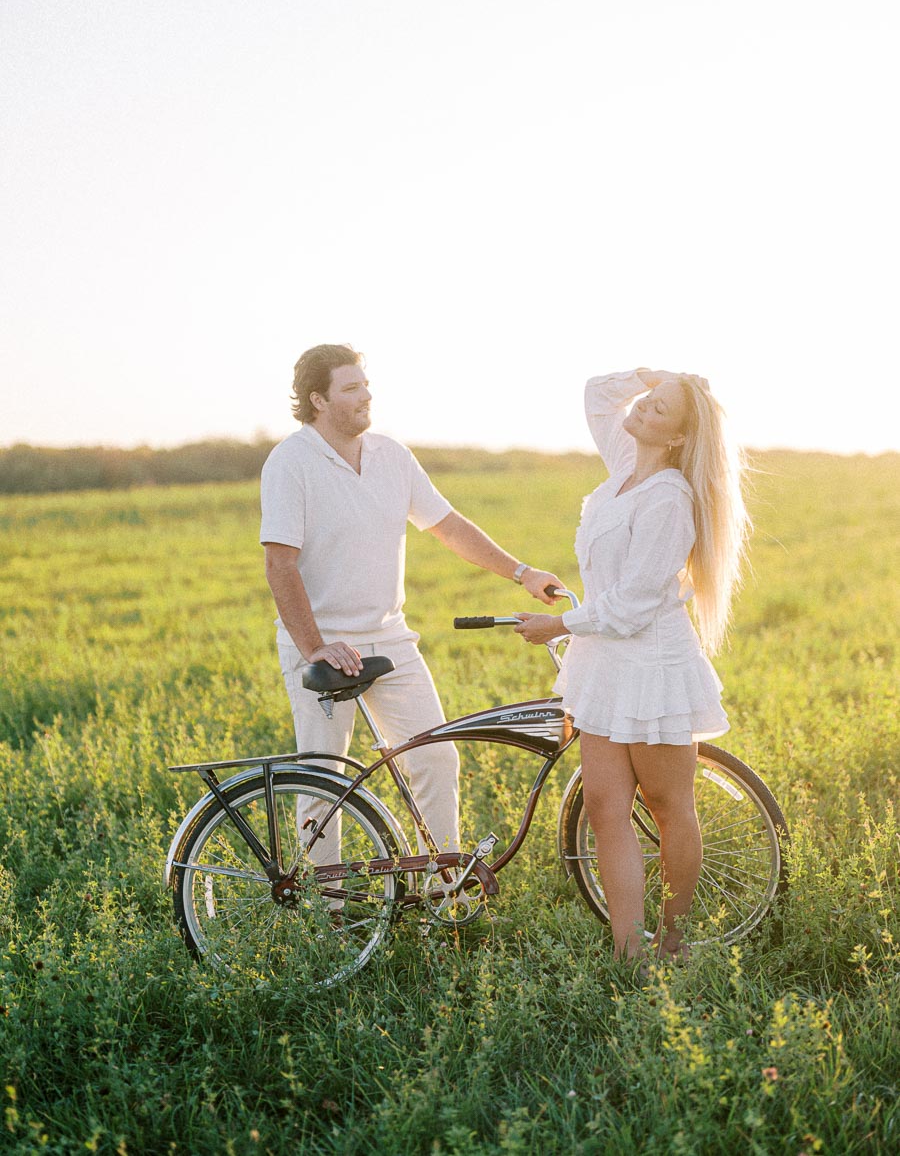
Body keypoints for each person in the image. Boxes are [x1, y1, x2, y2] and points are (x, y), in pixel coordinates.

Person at [260, 343, 561, 860]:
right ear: (318, 399)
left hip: (391, 636)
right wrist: (314, 647)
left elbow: (448, 527)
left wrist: (522, 572)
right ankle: (332, 914)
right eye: (351, 388)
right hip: (323, 642)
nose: (366, 395)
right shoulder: (291, 461)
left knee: (436, 759)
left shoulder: (391, 455)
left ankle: (446, 886)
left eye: (365, 383)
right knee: (323, 780)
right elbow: (280, 564)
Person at [514, 368, 749, 966]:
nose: (642, 409)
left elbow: (636, 605)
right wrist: (658, 375)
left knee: (669, 809)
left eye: (660, 410)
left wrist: (557, 625)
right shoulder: (625, 467)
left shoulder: (669, 497)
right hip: (603, 667)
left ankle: (672, 942)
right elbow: (596, 393)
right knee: (604, 810)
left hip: (652, 668)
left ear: (675, 439)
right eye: (647, 402)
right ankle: (628, 950)